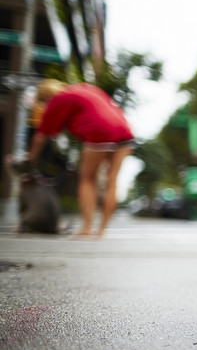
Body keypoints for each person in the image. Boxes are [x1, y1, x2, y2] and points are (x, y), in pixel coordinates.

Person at [27, 80, 135, 238]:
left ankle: (87, 227)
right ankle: (102, 230)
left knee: (87, 179)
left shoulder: (58, 99)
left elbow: (41, 136)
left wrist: (30, 159)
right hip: (124, 130)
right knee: (112, 181)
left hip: (100, 131)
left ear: (44, 98)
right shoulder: (85, 88)